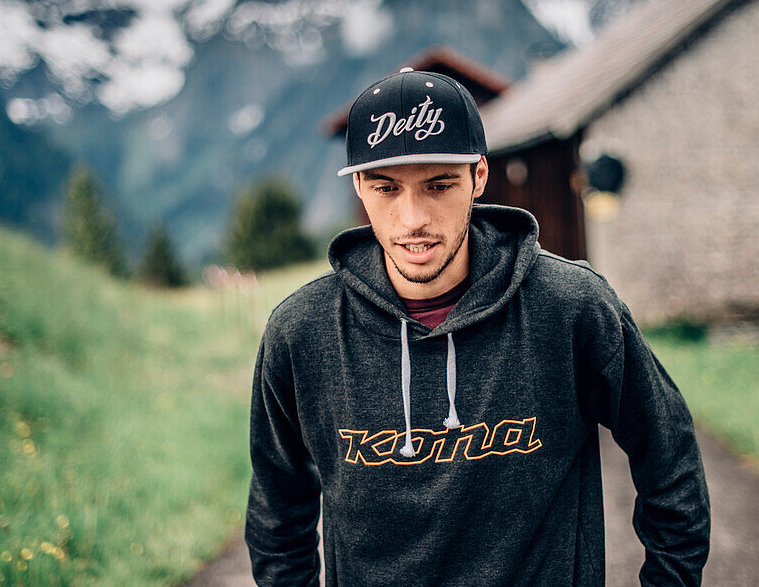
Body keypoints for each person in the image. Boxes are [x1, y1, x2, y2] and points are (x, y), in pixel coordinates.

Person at [245, 68, 711, 586]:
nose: (412, 219)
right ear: (359, 184)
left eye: (438, 185)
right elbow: (277, 514)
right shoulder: (302, 333)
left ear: (479, 177)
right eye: (386, 188)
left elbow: (669, 458)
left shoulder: (571, 307)